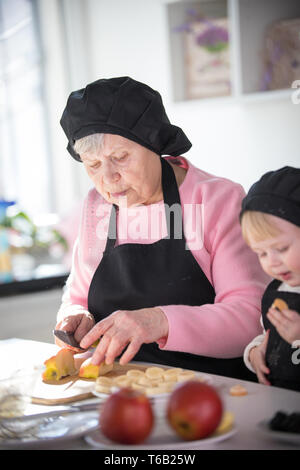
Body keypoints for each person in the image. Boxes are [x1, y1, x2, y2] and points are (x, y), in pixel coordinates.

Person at [56, 76, 268, 380]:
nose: (108, 178)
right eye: (93, 164)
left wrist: (158, 321)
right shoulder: (97, 206)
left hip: (210, 393)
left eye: (120, 158)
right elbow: (76, 297)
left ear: (153, 144)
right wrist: (75, 317)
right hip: (116, 393)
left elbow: (251, 319)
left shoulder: (216, 200)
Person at [241, 166, 300, 391]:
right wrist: (255, 353)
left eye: (281, 248)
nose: (272, 261)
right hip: (278, 398)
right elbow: (267, 335)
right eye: (261, 253)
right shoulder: (276, 291)